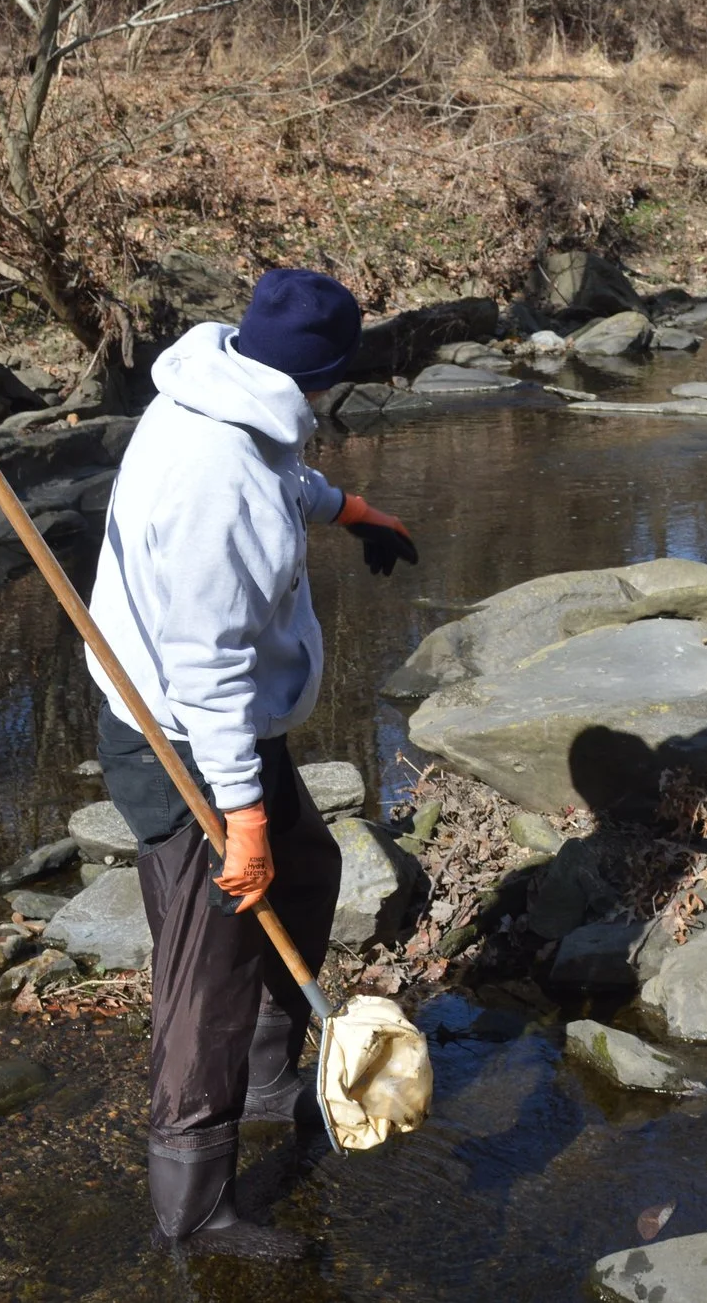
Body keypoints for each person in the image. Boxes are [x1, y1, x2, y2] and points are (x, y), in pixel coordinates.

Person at [86, 267, 419, 1263]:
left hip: (219, 730)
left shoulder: (221, 390)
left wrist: (346, 508)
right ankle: (193, 1209)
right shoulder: (212, 475)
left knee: (311, 875)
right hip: (180, 736)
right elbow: (206, 666)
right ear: (323, 375)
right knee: (208, 971)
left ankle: (273, 1085)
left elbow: (278, 471)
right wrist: (245, 819)